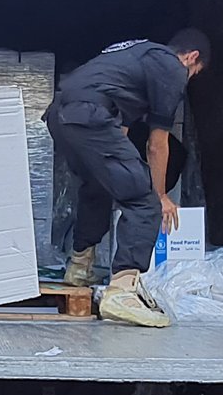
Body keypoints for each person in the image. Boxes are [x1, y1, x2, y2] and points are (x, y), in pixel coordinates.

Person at [46, 28, 211, 327]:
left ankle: (80, 266)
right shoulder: (171, 68)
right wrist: (159, 196)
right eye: (195, 73)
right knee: (143, 201)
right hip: (88, 113)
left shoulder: (133, 58)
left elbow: (118, 132)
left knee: (98, 185)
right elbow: (156, 144)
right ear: (191, 57)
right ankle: (122, 293)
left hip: (61, 115)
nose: (189, 79)